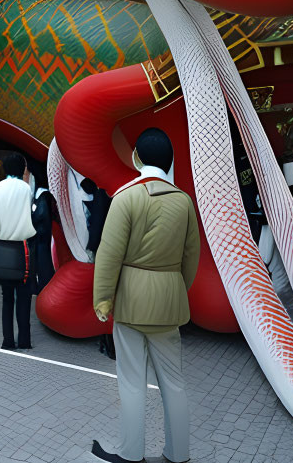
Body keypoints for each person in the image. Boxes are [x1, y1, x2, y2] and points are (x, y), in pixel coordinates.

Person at [91, 128, 199, 463]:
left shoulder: (126, 197)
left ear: (136, 156)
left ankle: (132, 453)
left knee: (132, 382)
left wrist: (103, 298)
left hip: (132, 301)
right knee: (174, 382)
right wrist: (175, 287)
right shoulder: (183, 201)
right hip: (169, 300)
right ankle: (179, 454)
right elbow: (190, 257)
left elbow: (109, 255)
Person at [0, 153, 37, 350]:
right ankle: (25, 340)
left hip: (2, 248)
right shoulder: (27, 189)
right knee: (24, 296)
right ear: (22, 169)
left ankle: (8, 341)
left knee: (6, 298)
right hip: (23, 249)